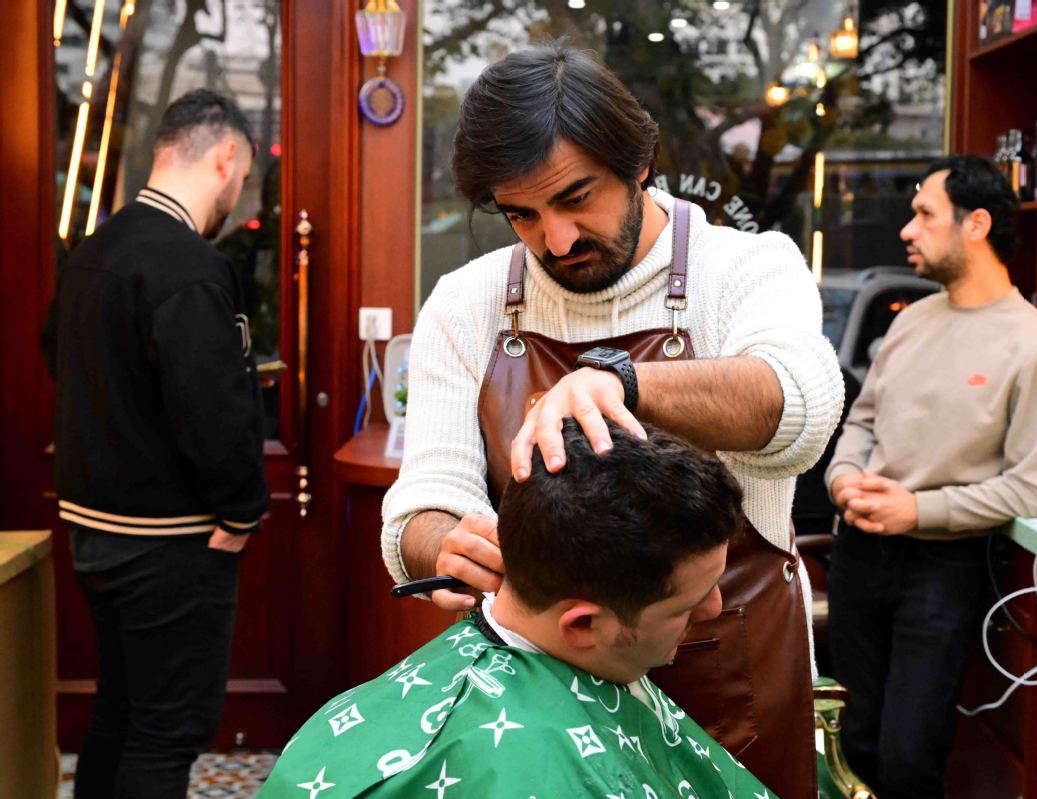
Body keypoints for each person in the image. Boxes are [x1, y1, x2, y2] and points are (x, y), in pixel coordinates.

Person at [380, 41, 843, 797]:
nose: (555, 240)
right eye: (521, 214)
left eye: (575, 197)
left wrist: (622, 382)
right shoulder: (467, 304)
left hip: (727, 685)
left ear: (639, 164)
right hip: (538, 710)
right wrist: (447, 543)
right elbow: (421, 503)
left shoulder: (747, 268)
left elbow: (800, 404)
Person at [263, 420, 778, 798]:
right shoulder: (528, 773)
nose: (714, 608)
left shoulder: (579, 663)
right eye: (686, 606)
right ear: (582, 624)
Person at [40, 89, 269, 799]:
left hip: (93, 528)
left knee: (121, 708)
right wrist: (241, 511)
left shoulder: (93, 249)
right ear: (225, 155)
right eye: (243, 175)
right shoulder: (188, 265)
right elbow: (214, 410)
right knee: (168, 730)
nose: (238, 193)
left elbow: (55, 351)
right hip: (167, 539)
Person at [824, 155, 1037, 799]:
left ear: (976, 224)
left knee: (909, 760)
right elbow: (863, 421)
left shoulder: (1036, 345)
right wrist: (844, 477)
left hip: (941, 567)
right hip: (858, 553)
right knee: (849, 745)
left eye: (924, 214)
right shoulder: (910, 320)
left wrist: (918, 510)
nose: (907, 229)